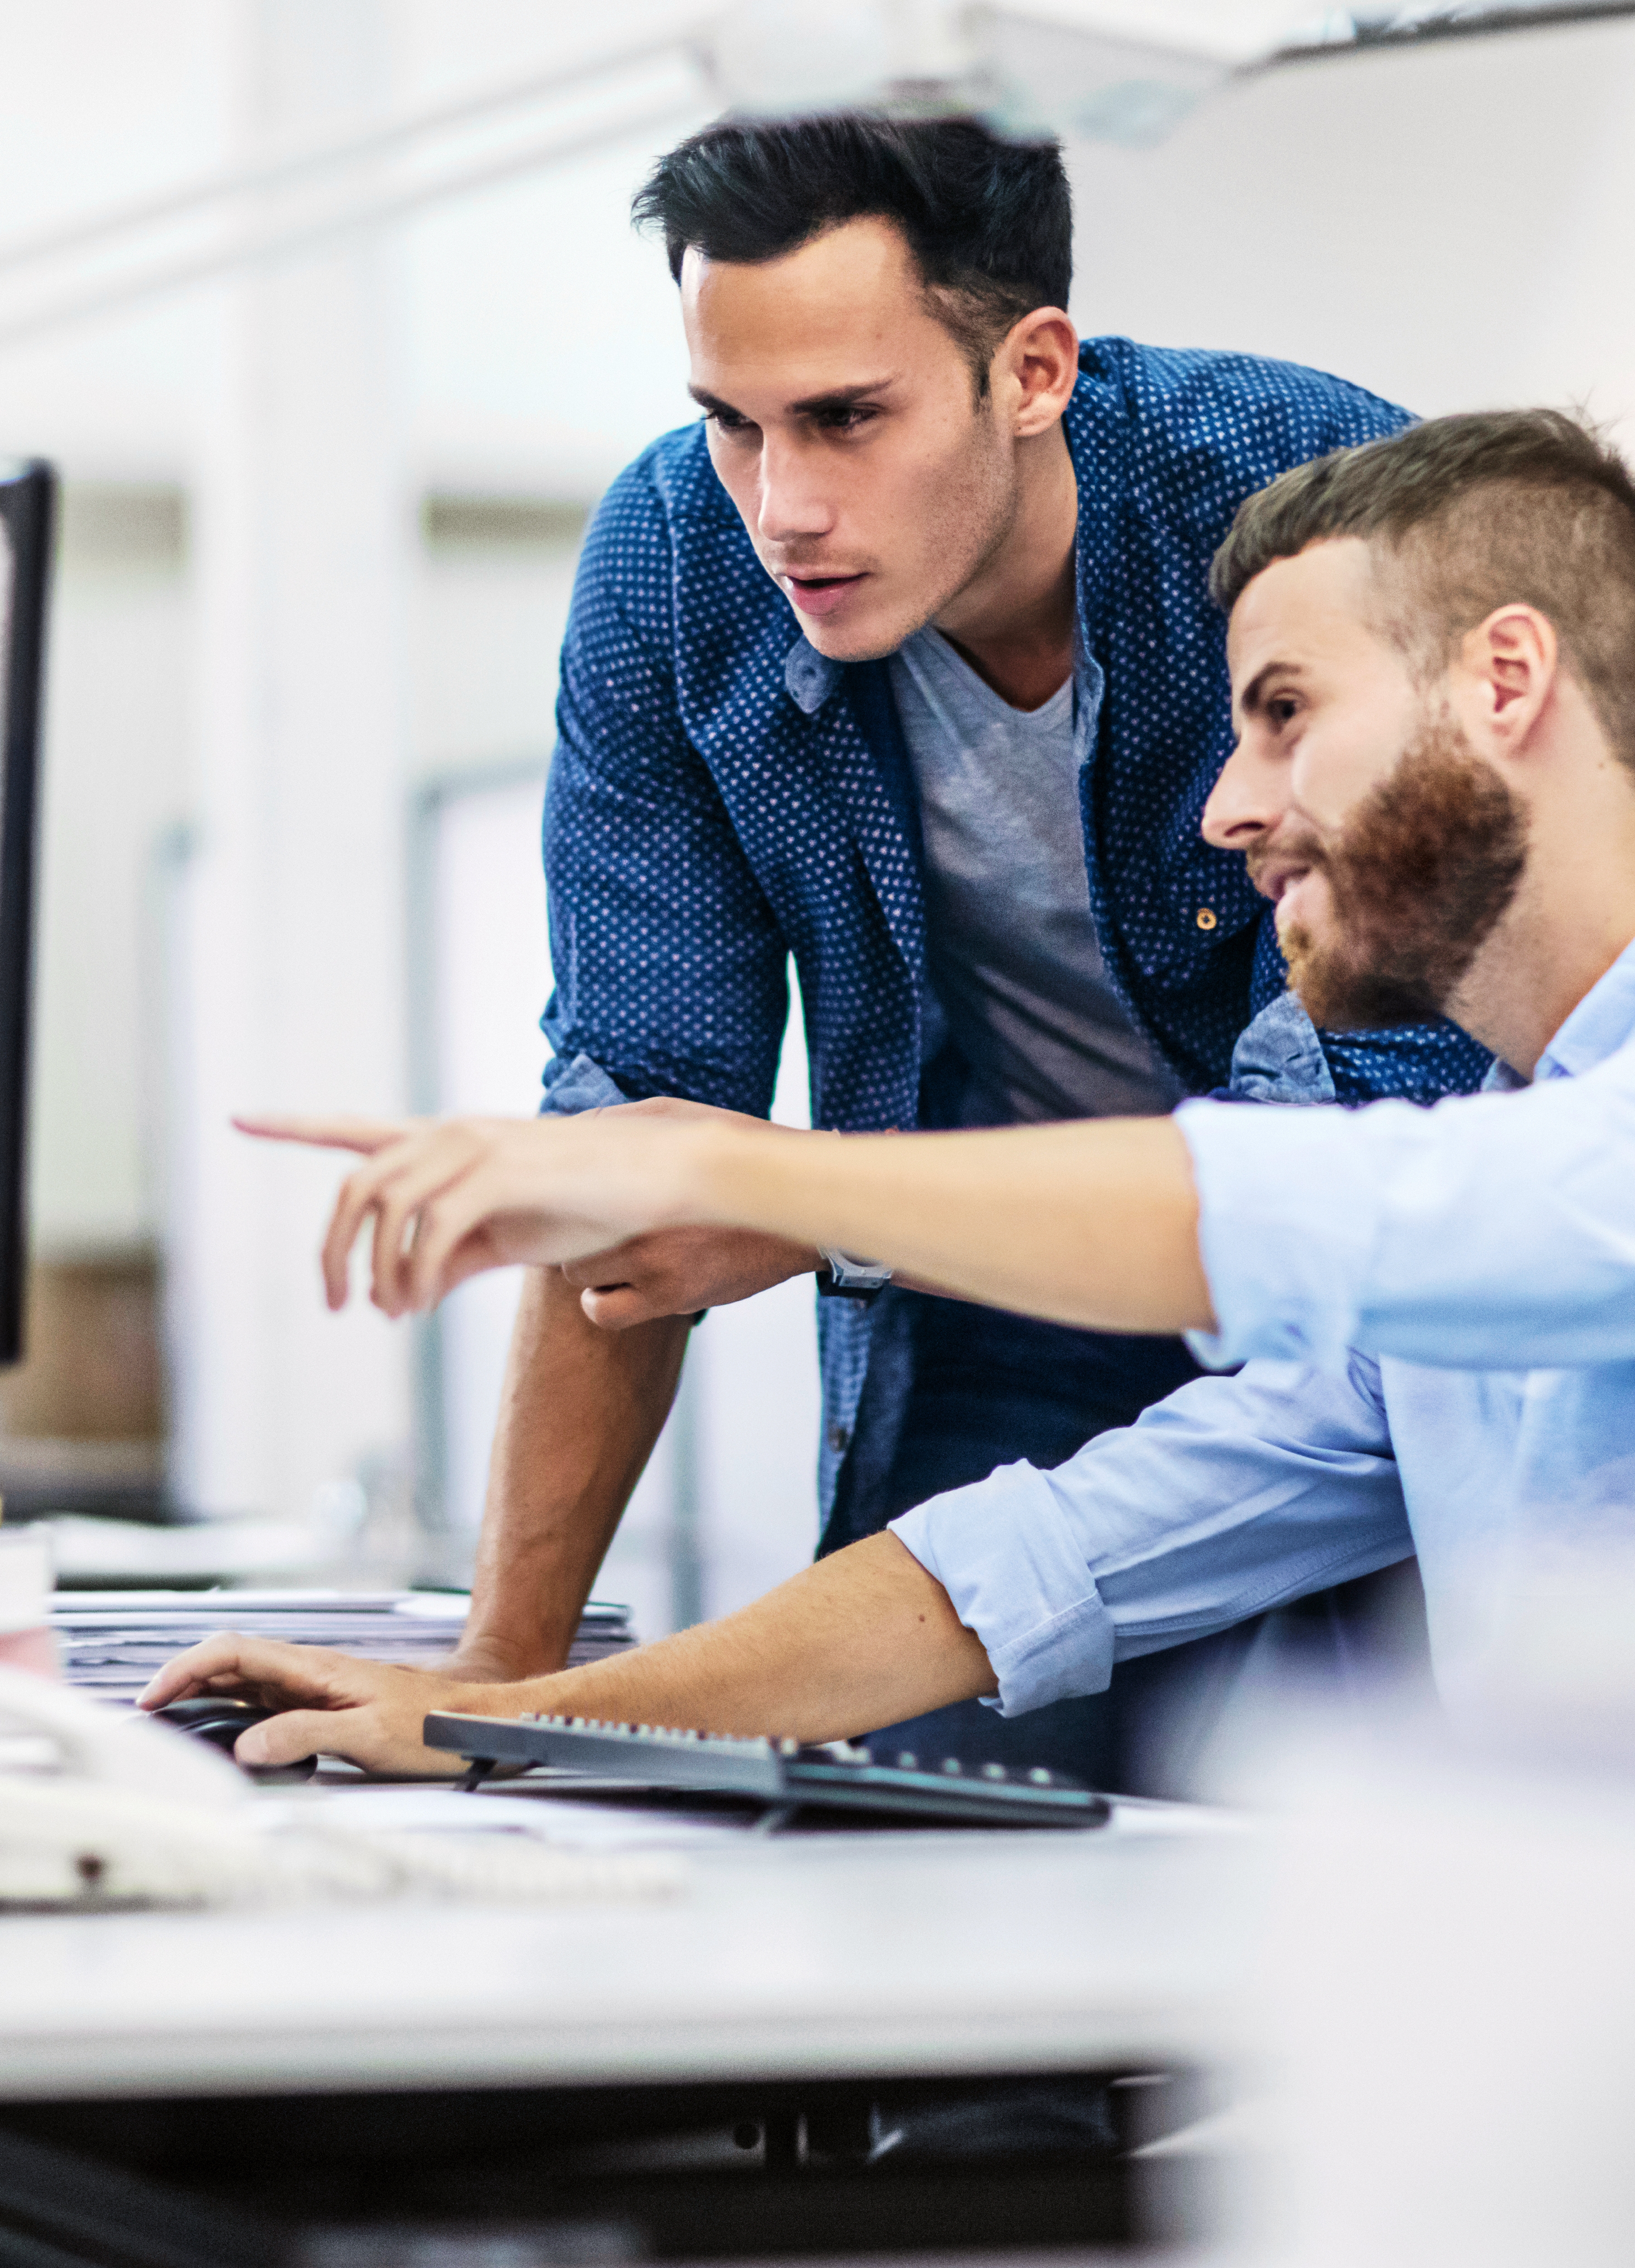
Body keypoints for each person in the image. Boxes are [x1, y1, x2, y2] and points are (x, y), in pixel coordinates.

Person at [159, 410, 1635, 1766]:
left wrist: (741, 1166)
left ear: (1505, 685)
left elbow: (1303, 1218)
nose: (1229, 805)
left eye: (1283, 713)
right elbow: (1039, 1560)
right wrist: (509, 1718)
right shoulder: (1523, 1181)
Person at [449, 113, 1488, 1789]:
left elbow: (1347, 1172)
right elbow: (638, 1135)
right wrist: (498, 1679)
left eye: (848, 419)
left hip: (1352, 1309)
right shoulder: (673, 563)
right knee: (917, 1831)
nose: (783, 506)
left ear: (1034, 368)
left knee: (1346, 1845)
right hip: (978, 1298)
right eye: (734, 424)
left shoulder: (1313, 510)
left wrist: (805, 1208)